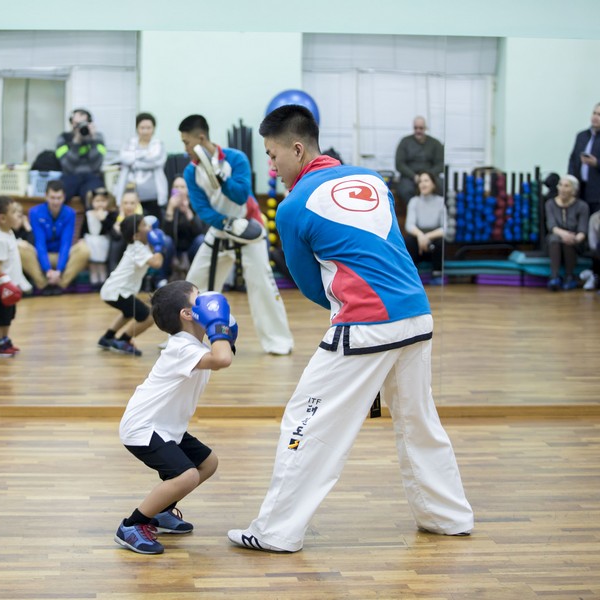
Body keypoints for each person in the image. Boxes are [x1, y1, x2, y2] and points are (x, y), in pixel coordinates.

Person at [227, 105, 473, 553]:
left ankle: (274, 531)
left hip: (366, 325)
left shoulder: (294, 205)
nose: (271, 165)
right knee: (420, 423)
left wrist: (352, 308)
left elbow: (310, 287)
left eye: (273, 154)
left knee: (305, 422)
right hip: (417, 315)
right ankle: (448, 517)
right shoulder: (373, 180)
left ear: (297, 149)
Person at [114, 282, 235, 554]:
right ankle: (132, 525)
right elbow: (223, 359)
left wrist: (222, 330)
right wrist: (219, 326)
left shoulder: (194, 344)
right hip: (144, 427)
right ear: (188, 314)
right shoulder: (181, 346)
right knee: (187, 475)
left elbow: (223, 352)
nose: (207, 300)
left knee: (208, 463)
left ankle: (161, 510)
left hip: (168, 427)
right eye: (199, 298)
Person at [178, 114, 293, 355]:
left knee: (263, 285)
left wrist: (221, 177)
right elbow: (201, 208)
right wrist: (226, 223)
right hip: (221, 230)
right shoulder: (191, 171)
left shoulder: (235, 159)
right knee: (192, 284)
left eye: (187, 142)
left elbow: (241, 195)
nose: (185, 148)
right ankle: (184, 338)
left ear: (200, 138)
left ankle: (278, 342)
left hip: (249, 226)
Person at [97, 214, 165, 356]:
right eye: (144, 226)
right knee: (149, 316)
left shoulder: (138, 246)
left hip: (113, 290)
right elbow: (157, 263)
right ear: (135, 236)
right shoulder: (137, 248)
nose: (149, 228)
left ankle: (108, 337)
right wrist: (159, 246)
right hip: (118, 292)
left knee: (128, 313)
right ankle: (123, 340)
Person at [20, 179, 90, 295]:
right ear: (46, 196)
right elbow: (39, 243)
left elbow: (66, 243)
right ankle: (43, 284)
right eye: (52, 198)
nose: (56, 202)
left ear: (64, 197)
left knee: (84, 249)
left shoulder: (70, 213)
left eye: (59, 198)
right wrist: (47, 269)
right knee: (20, 248)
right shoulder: (35, 212)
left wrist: (59, 270)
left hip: (61, 256)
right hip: (40, 255)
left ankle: (61, 284)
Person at [0, 196, 30, 357]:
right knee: (1, 317)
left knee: (8, 316)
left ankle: (5, 340)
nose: (18, 215)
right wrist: (6, 284)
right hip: (2, 288)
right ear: (2, 218)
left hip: (11, 286)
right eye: (14, 212)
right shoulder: (0, 238)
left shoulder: (8, 233)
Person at [114, 112, 168, 221]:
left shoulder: (158, 144)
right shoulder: (129, 143)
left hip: (153, 197)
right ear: (137, 129)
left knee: (152, 223)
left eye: (148, 128)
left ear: (153, 129)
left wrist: (134, 160)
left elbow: (156, 161)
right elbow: (124, 158)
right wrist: (145, 155)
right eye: (142, 128)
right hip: (130, 196)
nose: (145, 131)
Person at [544, 174, 589, 291]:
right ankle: (554, 277)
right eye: (560, 185)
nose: (562, 189)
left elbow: (582, 230)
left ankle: (569, 276)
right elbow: (551, 226)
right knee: (554, 238)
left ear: (573, 190)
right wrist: (564, 235)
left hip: (576, 240)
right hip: (556, 235)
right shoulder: (550, 204)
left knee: (568, 242)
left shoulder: (582, 206)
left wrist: (574, 239)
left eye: (566, 186)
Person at [55, 108, 106, 206]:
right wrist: (76, 142)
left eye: (83, 123)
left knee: (95, 199)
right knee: (58, 198)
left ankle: (90, 221)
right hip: (70, 176)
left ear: (89, 124)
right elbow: (67, 167)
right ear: (71, 123)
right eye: (76, 124)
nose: (79, 127)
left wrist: (93, 140)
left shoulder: (97, 137)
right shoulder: (63, 138)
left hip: (91, 177)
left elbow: (96, 166)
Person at [403, 171, 446, 285]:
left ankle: (437, 275)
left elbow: (445, 228)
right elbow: (409, 225)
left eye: (426, 180)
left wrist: (427, 236)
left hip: (433, 241)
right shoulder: (414, 201)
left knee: (440, 242)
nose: (423, 184)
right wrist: (420, 236)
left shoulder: (441, 202)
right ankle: (411, 276)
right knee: (408, 241)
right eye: (420, 181)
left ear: (433, 184)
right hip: (418, 241)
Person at [163, 176, 207, 280]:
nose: (179, 190)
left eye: (182, 187)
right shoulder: (167, 206)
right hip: (173, 249)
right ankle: (162, 278)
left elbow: (200, 231)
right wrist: (170, 210)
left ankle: (199, 277)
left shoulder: (194, 205)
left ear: (188, 189)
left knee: (201, 239)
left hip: (190, 248)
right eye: (176, 186)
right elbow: (165, 234)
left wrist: (187, 211)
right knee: (166, 241)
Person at [395, 116, 445, 206]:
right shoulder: (405, 142)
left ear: (425, 128)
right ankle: (414, 211)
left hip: (431, 175)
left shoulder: (435, 143)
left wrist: (428, 176)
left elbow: (441, 164)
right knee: (405, 190)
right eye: (415, 128)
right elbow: (399, 164)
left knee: (442, 186)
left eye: (421, 128)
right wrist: (414, 176)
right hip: (410, 177)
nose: (418, 130)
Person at [81, 187, 117, 287]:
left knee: (102, 263)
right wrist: (81, 239)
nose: (100, 203)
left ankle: (103, 282)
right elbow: (83, 228)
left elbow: (109, 228)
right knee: (93, 264)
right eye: (97, 201)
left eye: (103, 201)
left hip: (103, 241)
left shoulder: (109, 215)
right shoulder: (88, 214)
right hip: (91, 240)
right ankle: (94, 282)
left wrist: (103, 219)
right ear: (91, 202)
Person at [567, 102, 600, 215]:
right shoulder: (581, 136)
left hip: (597, 193)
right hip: (580, 191)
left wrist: (596, 163)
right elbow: (573, 159)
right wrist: (571, 181)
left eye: (599, 115)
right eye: (594, 113)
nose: (595, 117)